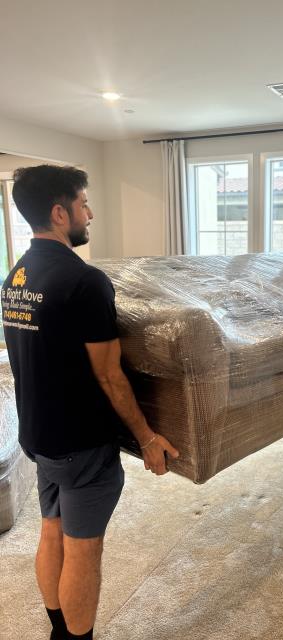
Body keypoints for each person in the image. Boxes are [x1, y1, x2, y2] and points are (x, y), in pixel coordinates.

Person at [0, 165, 179, 640]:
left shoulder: (16, 277)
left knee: (51, 529)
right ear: (60, 213)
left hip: (39, 437)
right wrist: (147, 438)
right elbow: (110, 375)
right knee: (83, 549)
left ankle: (59, 630)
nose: (91, 214)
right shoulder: (84, 280)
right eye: (83, 204)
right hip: (81, 445)